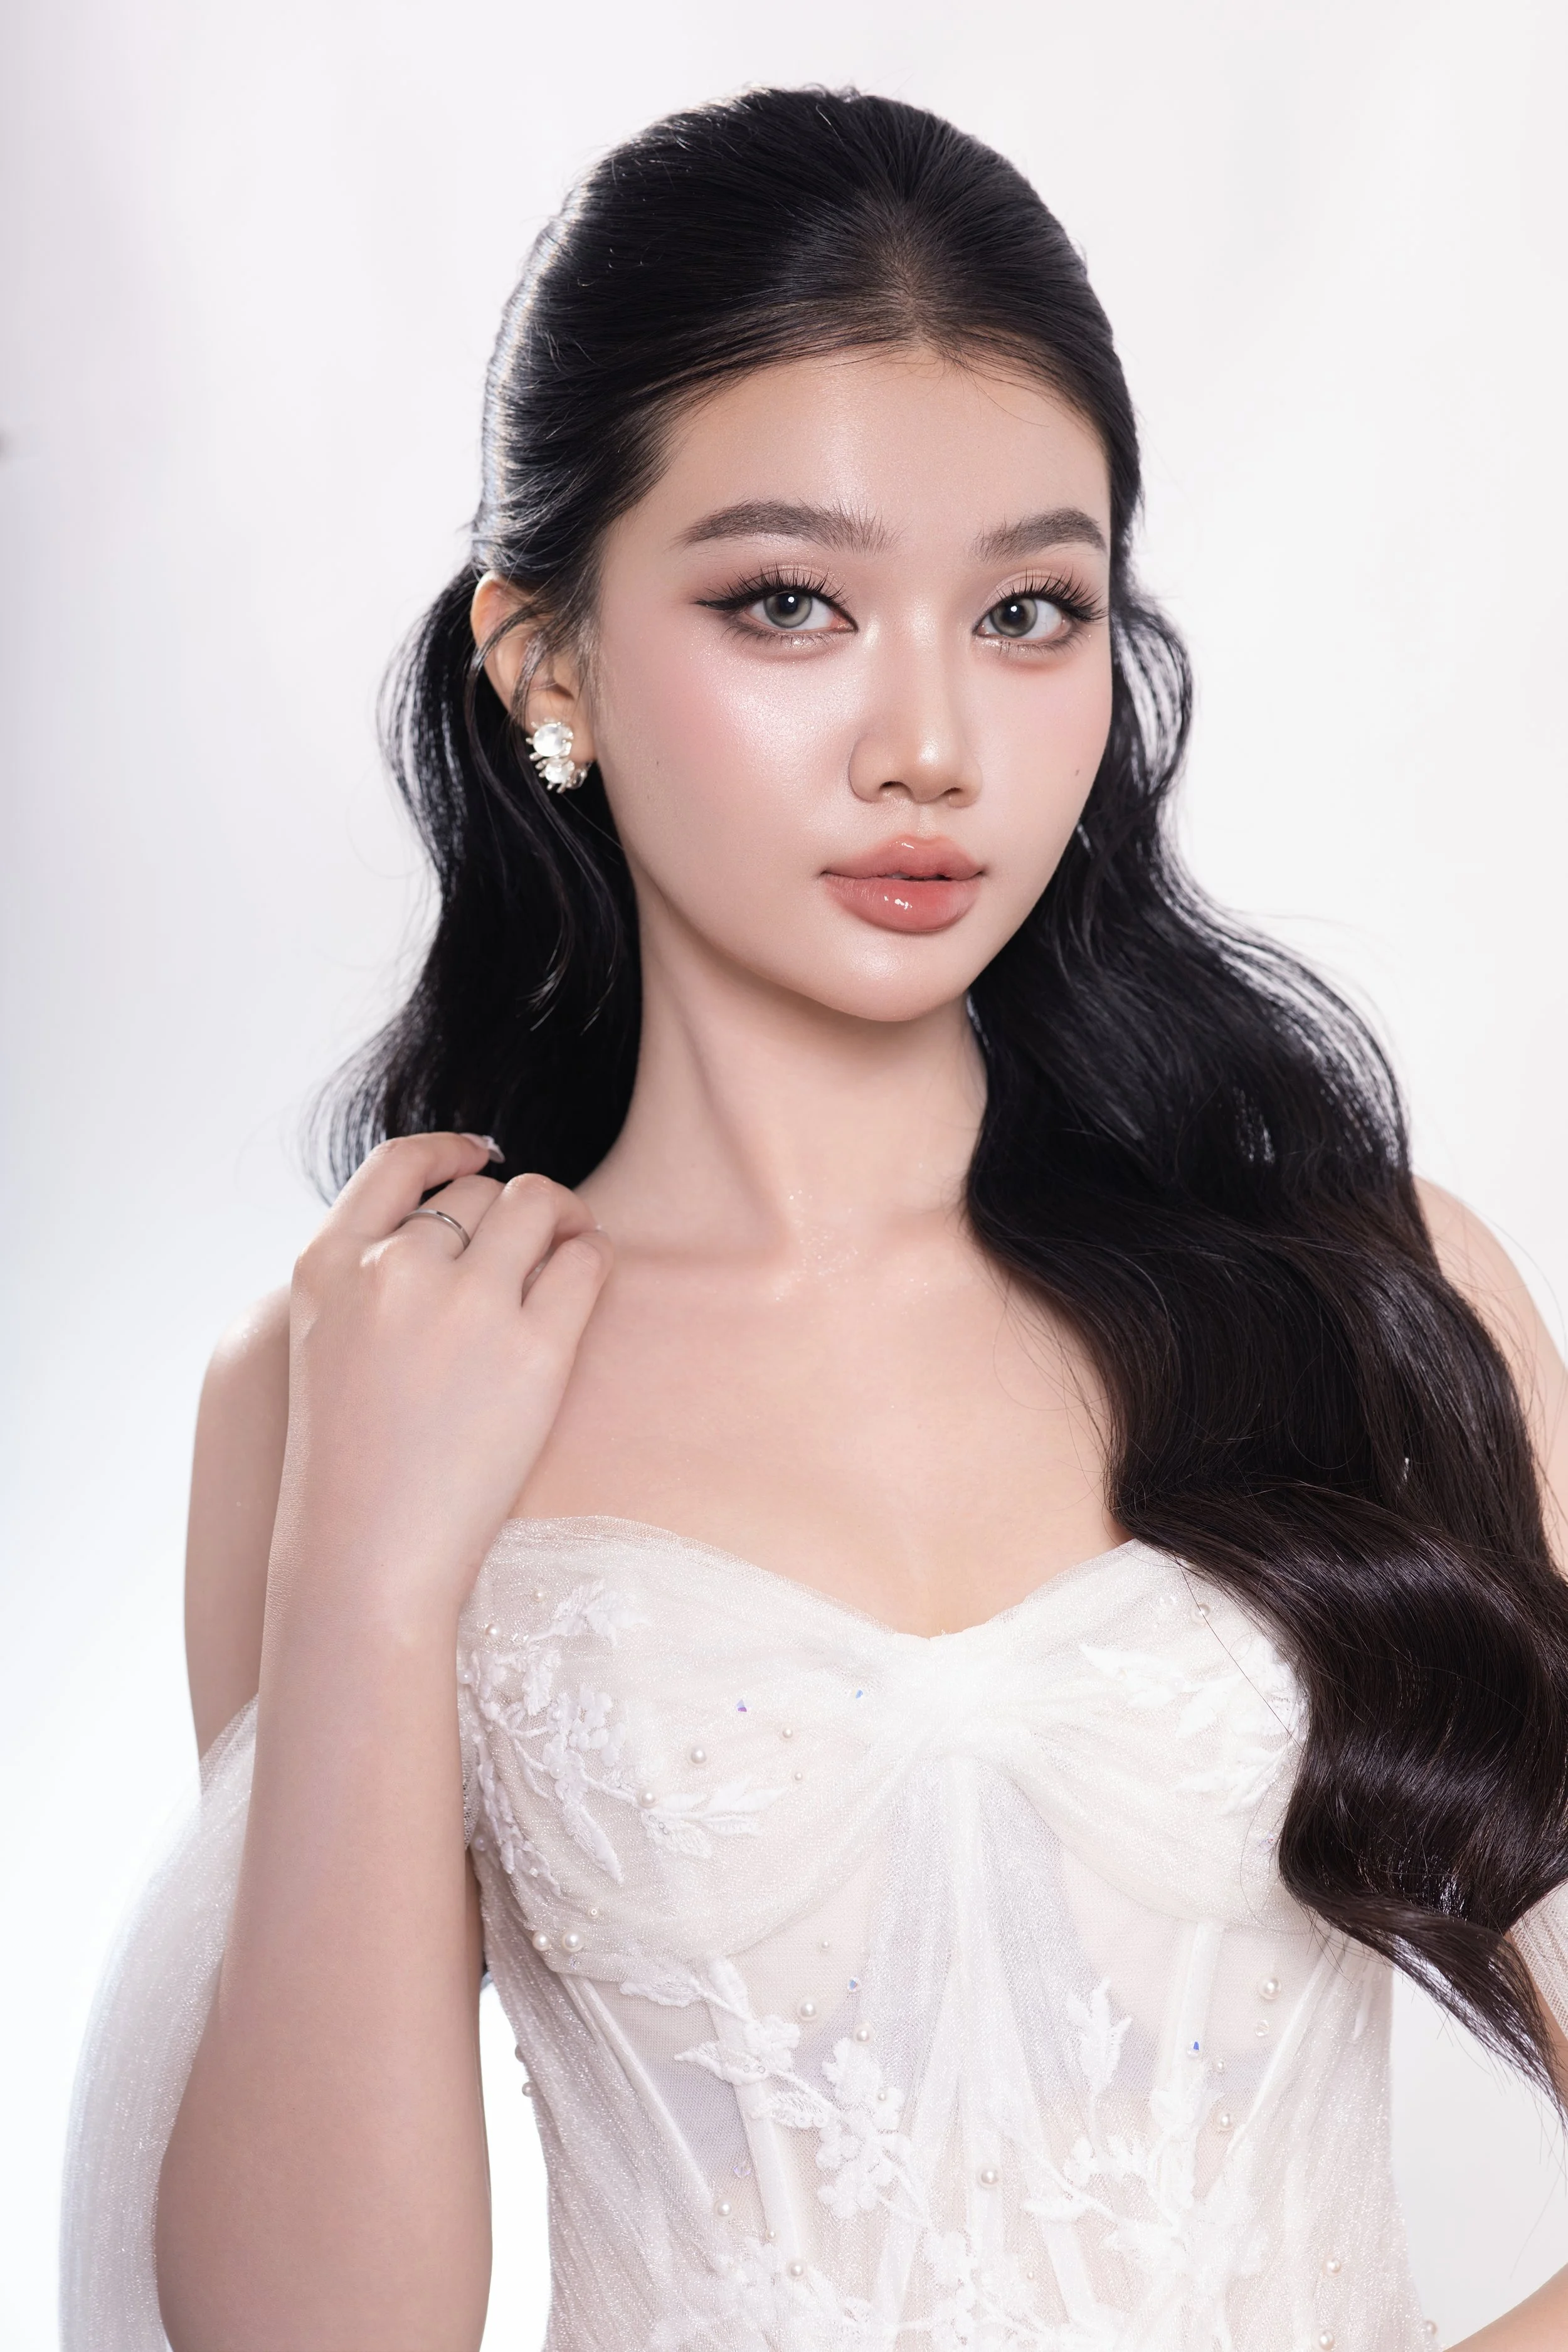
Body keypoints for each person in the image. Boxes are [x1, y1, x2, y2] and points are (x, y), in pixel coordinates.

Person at [61, 86, 1568, 2352]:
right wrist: (372, 1558)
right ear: (542, 662)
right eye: (788, 602)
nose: (931, 741)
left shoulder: (1378, 1297)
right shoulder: (345, 1378)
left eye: (1029, 610)